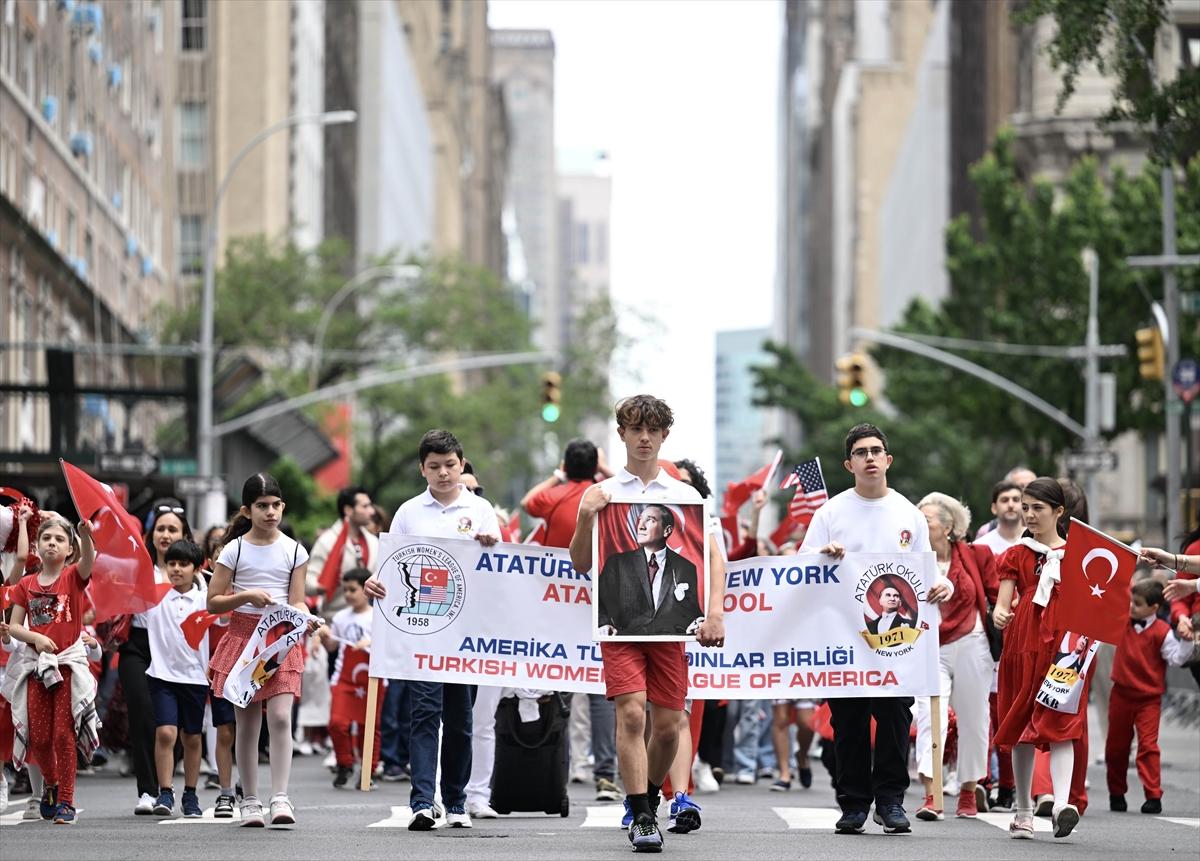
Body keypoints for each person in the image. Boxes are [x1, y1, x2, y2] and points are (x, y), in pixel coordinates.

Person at [569, 394, 726, 852]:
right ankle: (641, 813)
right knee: (632, 711)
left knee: (668, 723)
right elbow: (582, 563)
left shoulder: (686, 497)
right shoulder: (602, 494)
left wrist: (714, 613)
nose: (643, 437)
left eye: (651, 430)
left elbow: (714, 561)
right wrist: (585, 515)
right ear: (620, 434)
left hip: (671, 631)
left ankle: (651, 795)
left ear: (663, 436)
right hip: (620, 630)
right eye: (635, 429)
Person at [799, 423, 952, 835]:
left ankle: (890, 800)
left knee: (894, 715)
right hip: (844, 638)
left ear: (888, 459)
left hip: (895, 642)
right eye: (861, 452)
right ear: (849, 463)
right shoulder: (829, 513)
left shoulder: (908, 514)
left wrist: (944, 584)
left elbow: (927, 570)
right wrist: (823, 556)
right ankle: (852, 804)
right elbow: (801, 566)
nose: (869, 457)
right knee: (847, 720)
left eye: (876, 450)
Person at [364, 429, 500, 831]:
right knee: (424, 713)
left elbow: (503, 574)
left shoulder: (481, 510)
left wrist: (492, 544)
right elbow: (390, 566)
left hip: (467, 634)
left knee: (460, 719)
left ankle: (456, 801)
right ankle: (423, 801)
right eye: (434, 466)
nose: (443, 473)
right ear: (423, 469)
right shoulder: (408, 512)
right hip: (423, 631)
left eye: (450, 465)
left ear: (462, 464)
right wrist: (376, 582)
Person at [207, 473, 314, 828]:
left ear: (283, 507)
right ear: (247, 510)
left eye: (275, 505)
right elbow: (214, 603)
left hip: (281, 639)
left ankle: (280, 796)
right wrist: (246, 596)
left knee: (281, 717)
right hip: (243, 639)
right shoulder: (234, 550)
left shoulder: (295, 550)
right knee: (248, 724)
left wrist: (307, 618)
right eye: (262, 506)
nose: (270, 512)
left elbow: (297, 600)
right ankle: (250, 800)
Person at [523, 440, 621, 803]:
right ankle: (605, 775)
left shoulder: (558, 496)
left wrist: (557, 476)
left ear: (566, 465)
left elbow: (527, 502)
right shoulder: (607, 493)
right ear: (596, 466)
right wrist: (605, 472)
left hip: (559, 607)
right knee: (599, 690)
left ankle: (555, 770)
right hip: (602, 604)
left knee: (559, 686)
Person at [991, 477, 1084, 840]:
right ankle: (1024, 811)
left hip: (1065, 646)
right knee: (1021, 725)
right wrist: (1000, 614)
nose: (1028, 515)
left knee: (1062, 722)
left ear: (1059, 512)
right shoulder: (1016, 554)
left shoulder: (1079, 554)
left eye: (1037, 509)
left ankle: (1062, 804)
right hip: (1024, 642)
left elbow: (1095, 603)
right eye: (1025, 508)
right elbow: (1003, 603)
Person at [2, 514, 99, 825]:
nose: (52, 544)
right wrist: (36, 638)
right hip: (36, 669)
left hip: (68, 667)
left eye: (59, 540)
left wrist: (85, 535)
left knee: (62, 734)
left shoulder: (73, 577)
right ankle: (52, 784)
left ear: (70, 549)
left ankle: (67, 799)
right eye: (47, 539)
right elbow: (14, 626)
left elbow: (89, 561)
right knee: (40, 739)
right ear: (37, 546)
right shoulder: (26, 584)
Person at [913, 493, 997, 820]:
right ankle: (932, 795)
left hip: (973, 642)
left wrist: (1006, 611)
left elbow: (995, 596)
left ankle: (967, 791)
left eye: (927, 519)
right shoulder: (910, 558)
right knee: (928, 715)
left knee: (975, 720)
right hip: (928, 645)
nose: (919, 524)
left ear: (948, 527)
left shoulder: (979, 554)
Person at [123, 501, 192, 815]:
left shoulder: (193, 573)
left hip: (177, 650)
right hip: (138, 647)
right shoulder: (136, 567)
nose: (166, 535)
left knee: (171, 725)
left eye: (172, 529)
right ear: (152, 534)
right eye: (161, 529)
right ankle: (148, 792)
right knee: (142, 716)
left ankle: (166, 782)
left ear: (184, 534)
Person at [1107, 579, 1195, 813]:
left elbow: (1176, 658)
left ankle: (1153, 795)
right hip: (1121, 695)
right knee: (1116, 746)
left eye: (1137, 604)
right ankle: (1116, 792)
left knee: (1148, 746)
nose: (1132, 607)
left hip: (1149, 699)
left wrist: (1186, 642)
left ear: (1154, 608)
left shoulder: (1162, 632)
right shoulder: (1121, 622)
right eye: (1131, 602)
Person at [144, 539, 211, 818]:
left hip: (195, 678)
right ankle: (165, 791)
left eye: (183, 564)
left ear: (197, 568)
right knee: (166, 733)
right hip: (161, 676)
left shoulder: (206, 600)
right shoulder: (153, 597)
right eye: (171, 563)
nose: (176, 569)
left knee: (192, 738)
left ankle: (191, 794)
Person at [318, 568, 383, 790]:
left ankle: (368, 771)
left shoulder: (379, 616)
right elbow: (332, 647)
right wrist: (324, 635)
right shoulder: (340, 617)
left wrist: (371, 643)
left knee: (369, 727)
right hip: (344, 679)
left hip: (373, 679)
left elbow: (392, 647)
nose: (348, 594)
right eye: (345, 590)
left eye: (353, 589)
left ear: (366, 589)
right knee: (337, 723)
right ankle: (344, 763)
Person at [597, 504, 704, 637]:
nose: (641, 526)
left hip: (666, 646)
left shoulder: (685, 567)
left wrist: (698, 623)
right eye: (640, 519)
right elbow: (599, 601)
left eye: (650, 520)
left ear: (667, 531)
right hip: (625, 642)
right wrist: (603, 624)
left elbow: (691, 612)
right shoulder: (618, 563)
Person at [308, 486, 379, 616]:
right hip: (334, 620)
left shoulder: (373, 541)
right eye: (365, 506)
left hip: (368, 621)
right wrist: (326, 584)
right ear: (348, 510)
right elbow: (308, 582)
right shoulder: (327, 541)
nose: (372, 511)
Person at [975, 467, 1037, 539]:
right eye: (1021, 487)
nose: (1027, 491)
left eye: (1031, 486)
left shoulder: (1045, 527)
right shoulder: (987, 532)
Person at [975, 481, 1023, 556]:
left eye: (1016, 500)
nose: (1011, 505)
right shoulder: (981, 546)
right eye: (1004, 500)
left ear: (1024, 506)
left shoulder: (1037, 540)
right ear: (994, 508)